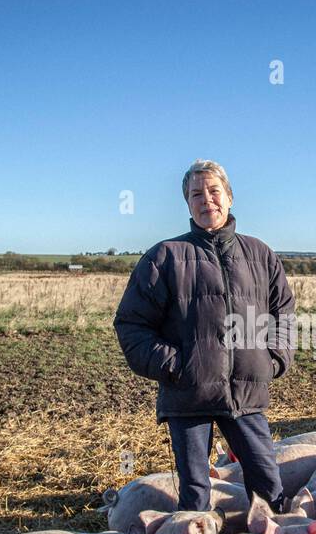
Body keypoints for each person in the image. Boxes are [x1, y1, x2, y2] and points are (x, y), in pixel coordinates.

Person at [113, 159, 295, 514]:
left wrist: (272, 358)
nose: (206, 199)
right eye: (196, 194)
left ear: (229, 197)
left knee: (269, 488)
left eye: (213, 191)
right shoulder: (165, 256)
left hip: (245, 390)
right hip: (188, 394)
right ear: (187, 204)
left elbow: (283, 313)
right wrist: (178, 365)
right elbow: (131, 324)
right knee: (196, 492)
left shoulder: (259, 254)